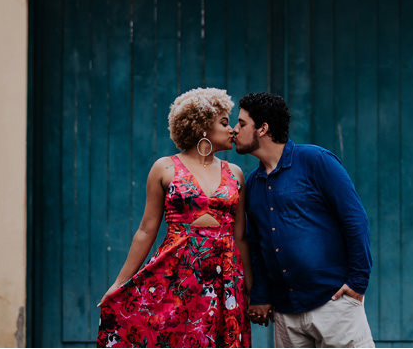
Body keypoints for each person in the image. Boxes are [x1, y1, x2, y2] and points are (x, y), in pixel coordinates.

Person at [97, 87, 252, 348]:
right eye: (224, 122)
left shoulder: (235, 173)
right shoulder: (165, 167)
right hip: (176, 276)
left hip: (226, 276)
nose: (232, 130)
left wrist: (252, 287)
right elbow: (146, 230)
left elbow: (241, 236)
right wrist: (119, 283)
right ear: (203, 127)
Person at [232, 92, 374, 348]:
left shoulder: (316, 161)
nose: (234, 130)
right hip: (286, 314)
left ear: (263, 128)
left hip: (334, 304)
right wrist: (261, 294)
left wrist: (357, 283)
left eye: (241, 123)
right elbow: (257, 244)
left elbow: (355, 220)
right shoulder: (252, 184)